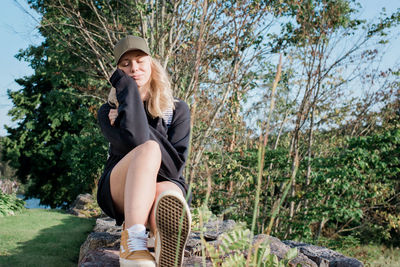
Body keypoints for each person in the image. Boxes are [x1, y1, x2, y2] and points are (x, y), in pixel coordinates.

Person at [96, 35, 191, 267]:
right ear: (117, 72)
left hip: (164, 183)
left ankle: (162, 245)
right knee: (148, 149)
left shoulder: (177, 110)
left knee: (167, 193)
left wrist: (131, 117)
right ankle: (134, 243)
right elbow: (137, 142)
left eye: (140, 61)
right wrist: (127, 90)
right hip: (119, 188)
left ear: (152, 64)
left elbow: (174, 167)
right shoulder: (108, 112)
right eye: (125, 64)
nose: (134, 68)